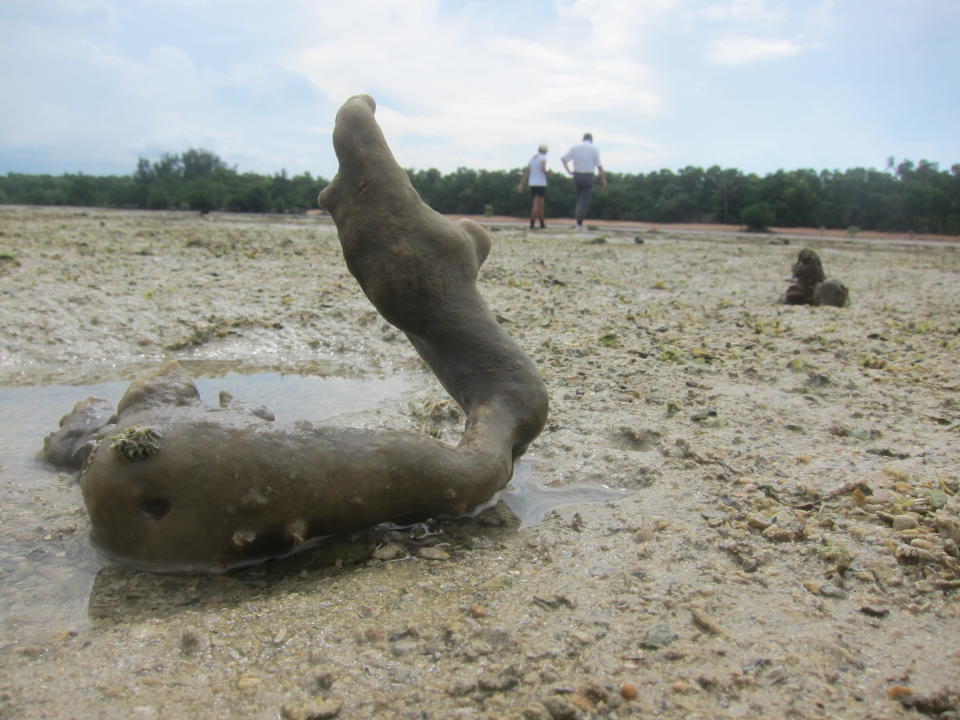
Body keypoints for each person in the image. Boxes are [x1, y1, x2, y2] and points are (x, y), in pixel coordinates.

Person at [562, 133, 607, 230]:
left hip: (577, 175)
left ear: (583, 139)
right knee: (584, 199)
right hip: (588, 175)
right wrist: (603, 179)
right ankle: (579, 222)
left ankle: (578, 221)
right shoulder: (594, 149)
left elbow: (563, 159)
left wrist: (569, 171)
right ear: (591, 140)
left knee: (579, 198)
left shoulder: (575, 148)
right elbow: (599, 166)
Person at [518, 144, 548, 229]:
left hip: (532, 183)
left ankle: (541, 223)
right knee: (538, 204)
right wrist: (548, 173)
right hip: (541, 183)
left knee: (539, 203)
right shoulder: (543, 158)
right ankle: (533, 222)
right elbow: (543, 169)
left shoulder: (532, 159)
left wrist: (522, 183)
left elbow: (527, 171)